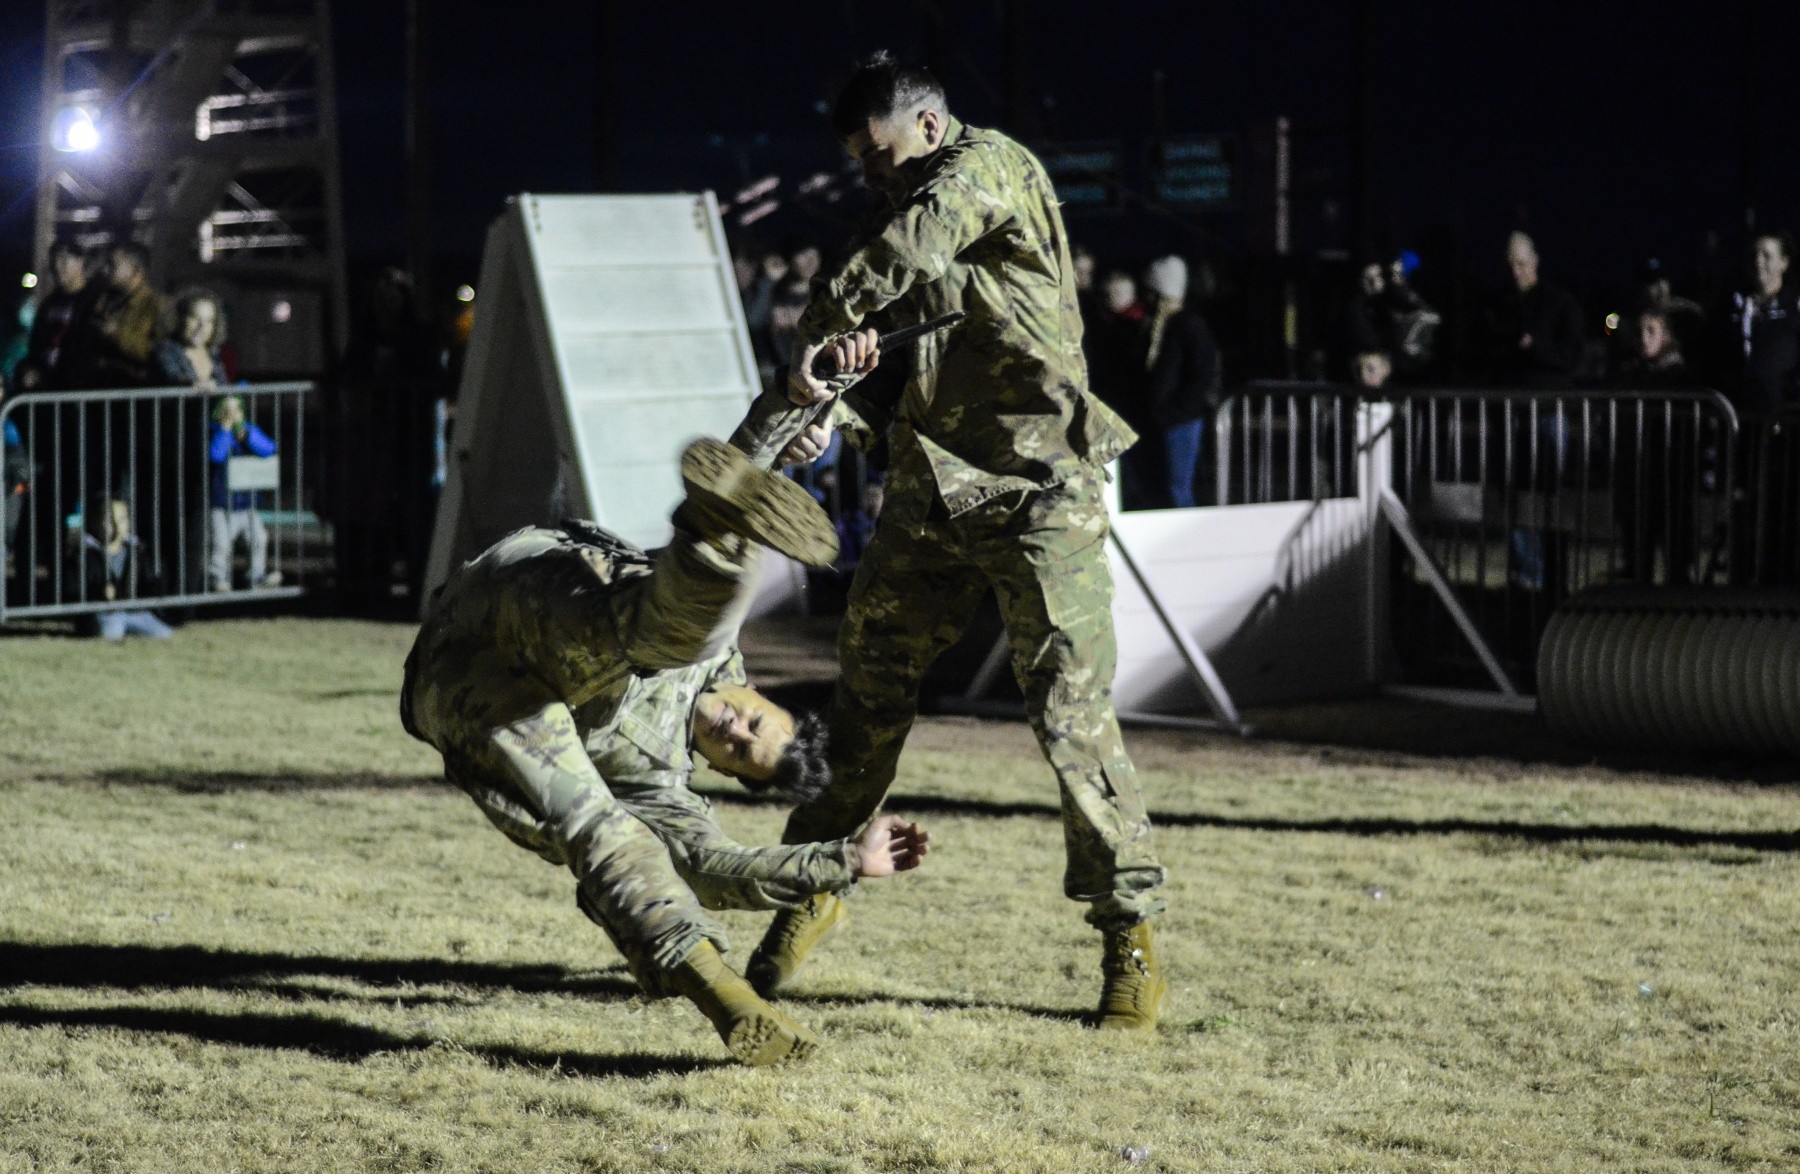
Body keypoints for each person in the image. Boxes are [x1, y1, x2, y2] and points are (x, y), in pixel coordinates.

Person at [735, 52, 1169, 1030]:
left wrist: (810, 339)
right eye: (857, 163)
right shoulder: (898, 212)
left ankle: (1129, 936)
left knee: (1070, 715)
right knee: (864, 708)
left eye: (878, 154)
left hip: (1039, 489)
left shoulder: (985, 171)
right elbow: (886, 365)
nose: (870, 178)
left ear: (927, 127)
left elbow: (887, 271)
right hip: (932, 487)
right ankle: (812, 889)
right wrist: (830, 416)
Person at [401, 437, 928, 1066]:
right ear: (755, 689)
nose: (735, 732)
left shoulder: (659, 780)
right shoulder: (719, 650)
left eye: (738, 753)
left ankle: (719, 990)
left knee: (602, 828)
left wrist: (846, 860)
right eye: (755, 723)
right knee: (675, 635)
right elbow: (737, 462)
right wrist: (793, 402)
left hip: (467, 691)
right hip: (530, 592)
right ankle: (723, 528)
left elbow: (715, 865)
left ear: (718, 769)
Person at [1135, 255, 1221, 509]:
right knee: (1164, 487)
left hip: (1180, 421)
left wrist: (1176, 410)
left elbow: (1203, 374)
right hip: (1165, 419)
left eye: (1151, 292)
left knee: (1177, 488)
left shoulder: (1187, 325)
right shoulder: (1161, 326)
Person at [68, 496, 173, 640]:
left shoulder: (136, 551)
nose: (116, 526)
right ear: (95, 522)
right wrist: (99, 593)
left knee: (163, 633)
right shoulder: (85, 553)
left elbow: (150, 583)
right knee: (112, 632)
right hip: (104, 614)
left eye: (122, 519)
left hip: (134, 613)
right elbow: (74, 590)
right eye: (109, 520)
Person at [1490, 231, 1585, 390]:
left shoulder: (1560, 302)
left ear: (1534, 260)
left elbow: (1572, 356)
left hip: (1548, 402)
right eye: (1511, 265)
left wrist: (1535, 347)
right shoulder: (1501, 304)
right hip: (1512, 404)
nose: (1515, 273)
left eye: (1521, 264)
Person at [206, 394, 278, 591]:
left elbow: (269, 448)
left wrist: (246, 434)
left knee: (259, 538)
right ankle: (218, 577)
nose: (233, 415)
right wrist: (225, 430)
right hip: (221, 503)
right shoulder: (214, 431)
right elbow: (216, 455)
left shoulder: (247, 430)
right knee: (222, 543)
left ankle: (257, 575)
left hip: (246, 502)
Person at [70, 241, 165, 389]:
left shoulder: (156, 306)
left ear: (135, 270)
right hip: (98, 389)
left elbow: (159, 353)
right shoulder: (103, 302)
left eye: (113, 265)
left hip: (133, 393)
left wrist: (117, 334)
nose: (106, 270)